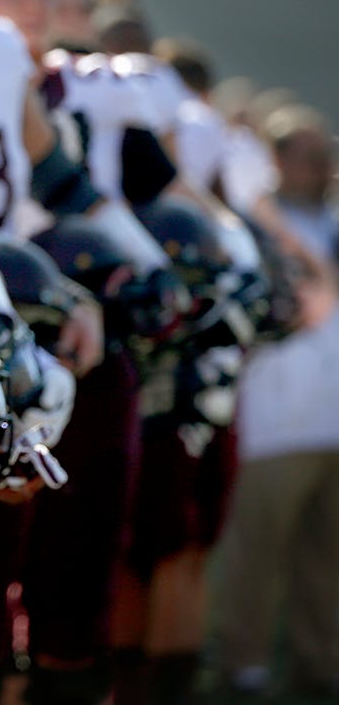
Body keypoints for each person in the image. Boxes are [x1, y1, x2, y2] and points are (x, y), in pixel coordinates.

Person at [211, 106, 339, 701]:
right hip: (274, 422)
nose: (323, 167)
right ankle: (243, 661)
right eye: (310, 155)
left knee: (327, 561)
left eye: (327, 155)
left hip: (331, 421)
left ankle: (321, 662)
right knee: (256, 553)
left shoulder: (331, 222)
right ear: (279, 160)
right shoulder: (251, 227)